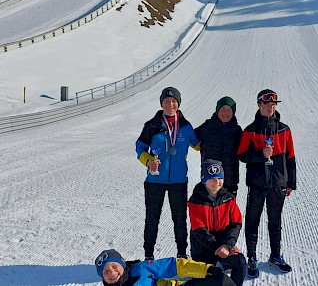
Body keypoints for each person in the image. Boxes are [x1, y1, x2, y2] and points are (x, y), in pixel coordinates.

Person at [136, 87, 200, 261]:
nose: (170, 104)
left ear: (178, 104)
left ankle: (181, 252)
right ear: (161, 103)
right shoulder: (152, 125)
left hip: (178, 181)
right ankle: (148, 254)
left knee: (180, 219)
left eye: (173, 101)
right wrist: (149, 161)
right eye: (166, 101)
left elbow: (198, 145)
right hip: (155, 180)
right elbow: (140, 147)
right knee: (152, 218)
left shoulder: (186, 127)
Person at [237, 89, 296, 277]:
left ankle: (275, 255)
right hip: (257, 183)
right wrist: (260, 155)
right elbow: (242, 155)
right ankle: (252, 257)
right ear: (259, 105)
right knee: (253, 221)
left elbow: (291, 157)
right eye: (267, 104)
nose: (271, 107)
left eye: (274, 104)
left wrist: (291, 183)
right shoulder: (250, 130)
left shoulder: (284, 130)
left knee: (275, 221)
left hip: (278, 184)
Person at [187, 159, 246, 286]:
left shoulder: (229, 199)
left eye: (219, 178)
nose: (216, 181)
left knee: (240, 263)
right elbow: (199, 230)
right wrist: (220, 247)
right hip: (202, 247)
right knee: (209, 280)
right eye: (212, 178)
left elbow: (236, 223)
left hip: (223, 245)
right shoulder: (194, 201)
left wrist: (227, 245)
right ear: (204, 180)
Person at [95, 249, 237, 286]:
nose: (112, 273)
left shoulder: (141, 269)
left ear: (122, 264)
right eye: (106, 272)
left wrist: (207, 270)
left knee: (221, 281)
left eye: (114, 266)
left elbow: (175, 265)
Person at [194, 97, 242, 196]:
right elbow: (190, 137)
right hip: (210, 177)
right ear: (217, 110)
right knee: (209, 208)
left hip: (230, 178)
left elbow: (245, 149)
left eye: (229, 110)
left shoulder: (237, 130)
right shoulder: (207, 127)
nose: (225, 113)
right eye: (222, 109)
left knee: (229, 209)